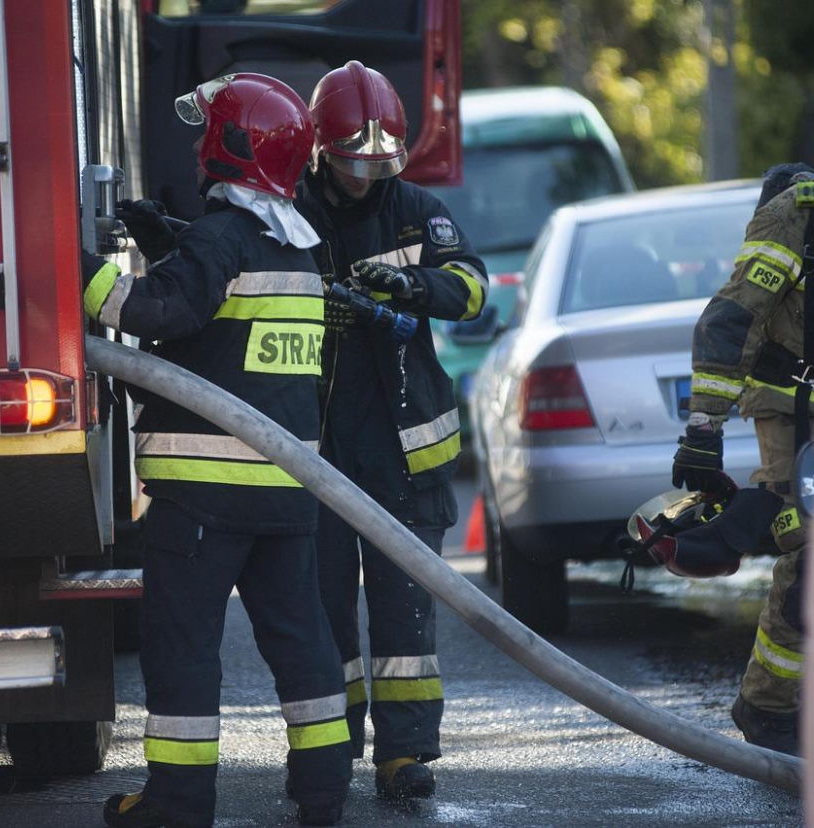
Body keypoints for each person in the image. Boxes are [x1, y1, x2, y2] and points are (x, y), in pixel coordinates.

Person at [82, 73, 351, 828]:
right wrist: (174, 242)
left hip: (203, 498)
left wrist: (74, 270)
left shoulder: (222, 238)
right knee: (303, 643)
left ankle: (176, 802)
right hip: (287, 493)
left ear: (228, 146)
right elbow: (233, 337)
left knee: (183, 649)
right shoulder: (297, 249)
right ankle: (325, 790)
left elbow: (156, 310)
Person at [293, 60, 488, 800]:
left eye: (377, 162)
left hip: (405, 452)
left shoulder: (415, 210)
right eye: (351, 162)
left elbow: (470, 284)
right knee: (323, 612)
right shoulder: (291, 215)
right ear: (320, 149)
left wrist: (416, 286)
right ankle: (327, 757)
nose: (364, 176)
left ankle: (403, 757)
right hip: (316, 451)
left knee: (405, 615)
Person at [672, 161, 814, 756]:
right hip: (795, 406)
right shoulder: (799, 216)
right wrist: (704, 431)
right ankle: (765, 705)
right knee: (809, 556)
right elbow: (730, 320)